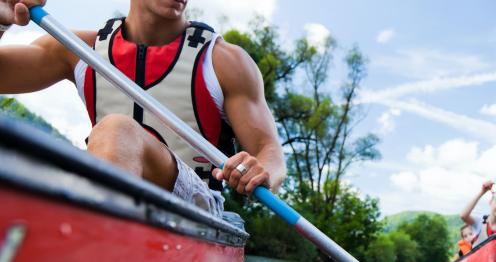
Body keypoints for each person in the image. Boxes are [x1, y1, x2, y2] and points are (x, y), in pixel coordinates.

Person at [0, 0, 284, 219]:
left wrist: (262, 170)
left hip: (196, 207)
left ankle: (84, 245)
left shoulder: (225, 61)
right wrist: (1, 19)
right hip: (103, 192)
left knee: (116, 129)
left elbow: (269, 152)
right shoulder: (76, 49)